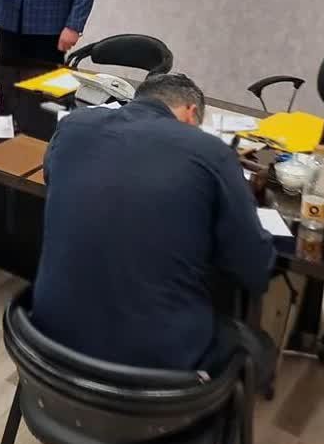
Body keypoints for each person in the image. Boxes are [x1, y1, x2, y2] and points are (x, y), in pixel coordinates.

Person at [32, 73, 276, 380]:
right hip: (155, 372)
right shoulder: (211, 151)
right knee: (254, 343)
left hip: (48, 342)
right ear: (191, 112)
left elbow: (53, 177)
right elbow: (255, 269)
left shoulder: (73, 125)